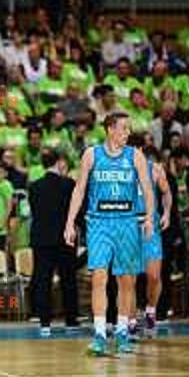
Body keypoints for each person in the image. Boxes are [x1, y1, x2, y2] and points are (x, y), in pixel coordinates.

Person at [64, 111, 154, 356]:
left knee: (126, 280)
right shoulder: (91, 154)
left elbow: (147, 188)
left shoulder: (135, 156)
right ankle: (100, 334)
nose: (128, 133)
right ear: (110, 129)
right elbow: (79, 190)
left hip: (127, 221)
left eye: (128, 128)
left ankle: (123, 330)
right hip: (99, 222)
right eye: (124, 128)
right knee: (99, 278)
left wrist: (149, 217)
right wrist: (69, 222)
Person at [28, 151, 79, 335]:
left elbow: (35, 212)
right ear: (59, 163)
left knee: (43, 281)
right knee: (68, 280)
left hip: (41, 239)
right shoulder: (69, 184)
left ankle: (44, 324)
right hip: (65, 238)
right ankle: (71, 321)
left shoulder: (34, 187)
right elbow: (77, 212)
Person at [134, 144, 172, 338]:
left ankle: (150, 312)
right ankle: (130, 320)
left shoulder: (155, 168)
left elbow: (166, 192)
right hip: (129, 227)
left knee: (154, 275)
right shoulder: (121, 169)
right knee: (127, 278)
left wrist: (166, 213)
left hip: (151, 226)